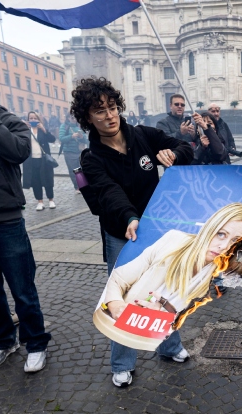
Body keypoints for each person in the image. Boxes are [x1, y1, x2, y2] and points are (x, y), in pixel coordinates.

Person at [70, 76, 195, 386]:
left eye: (112, 107)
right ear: (88, 117)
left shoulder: (142, 135)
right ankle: (122, 363)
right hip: (120, 232)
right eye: (99, 111)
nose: (109, 115)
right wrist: (128, 218)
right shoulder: (92, 158)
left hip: (155, 227)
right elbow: (108, 191)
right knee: (122, 294)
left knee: (162, 288)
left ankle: (169, 346)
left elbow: (184, 147)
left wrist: (174, 155)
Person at [96, 203, 242, 385]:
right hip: (130, 306)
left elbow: (183, 307)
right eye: (221, 234)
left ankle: (170, 348)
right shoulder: (173, 241)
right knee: (125, 324)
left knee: (171, 319)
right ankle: (122, 365)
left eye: (235, 241)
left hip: (165, 316)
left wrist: (163, 311)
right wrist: (115, 304)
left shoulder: (220, 266)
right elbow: (119, 279)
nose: (223, 246)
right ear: (210, 227)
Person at [0, 96, 51, 374]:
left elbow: (19, 151)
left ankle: (36, 343)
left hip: (5, 217)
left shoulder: (6, 118)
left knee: (22, 288)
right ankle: (2, 340)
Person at [22, 111, 57, 211]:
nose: (33, 120)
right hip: (31, 160)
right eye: (31, 118)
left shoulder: (42, 130)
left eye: (35, 118)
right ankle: (40, 202)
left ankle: (51, 200)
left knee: (47, 179)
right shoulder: (26, 130)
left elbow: (52, 139)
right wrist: (22, 126)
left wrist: (44, 129)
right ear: (28, 119)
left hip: (44, 160)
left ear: (38, 119)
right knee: (35, 181)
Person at [58, 112, 89, 191]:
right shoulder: (64, 126)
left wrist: (82, 137)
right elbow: (61, 138)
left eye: (75, 117)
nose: (74, 119)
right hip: (69, 151)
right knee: (74, 170)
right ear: (68, 118)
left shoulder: (79, 126)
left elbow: (85, 140)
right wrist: (71, 136)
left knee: (82, 169)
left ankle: (83, 186)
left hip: (79, 151)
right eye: (72, 118)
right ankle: (77, 187)